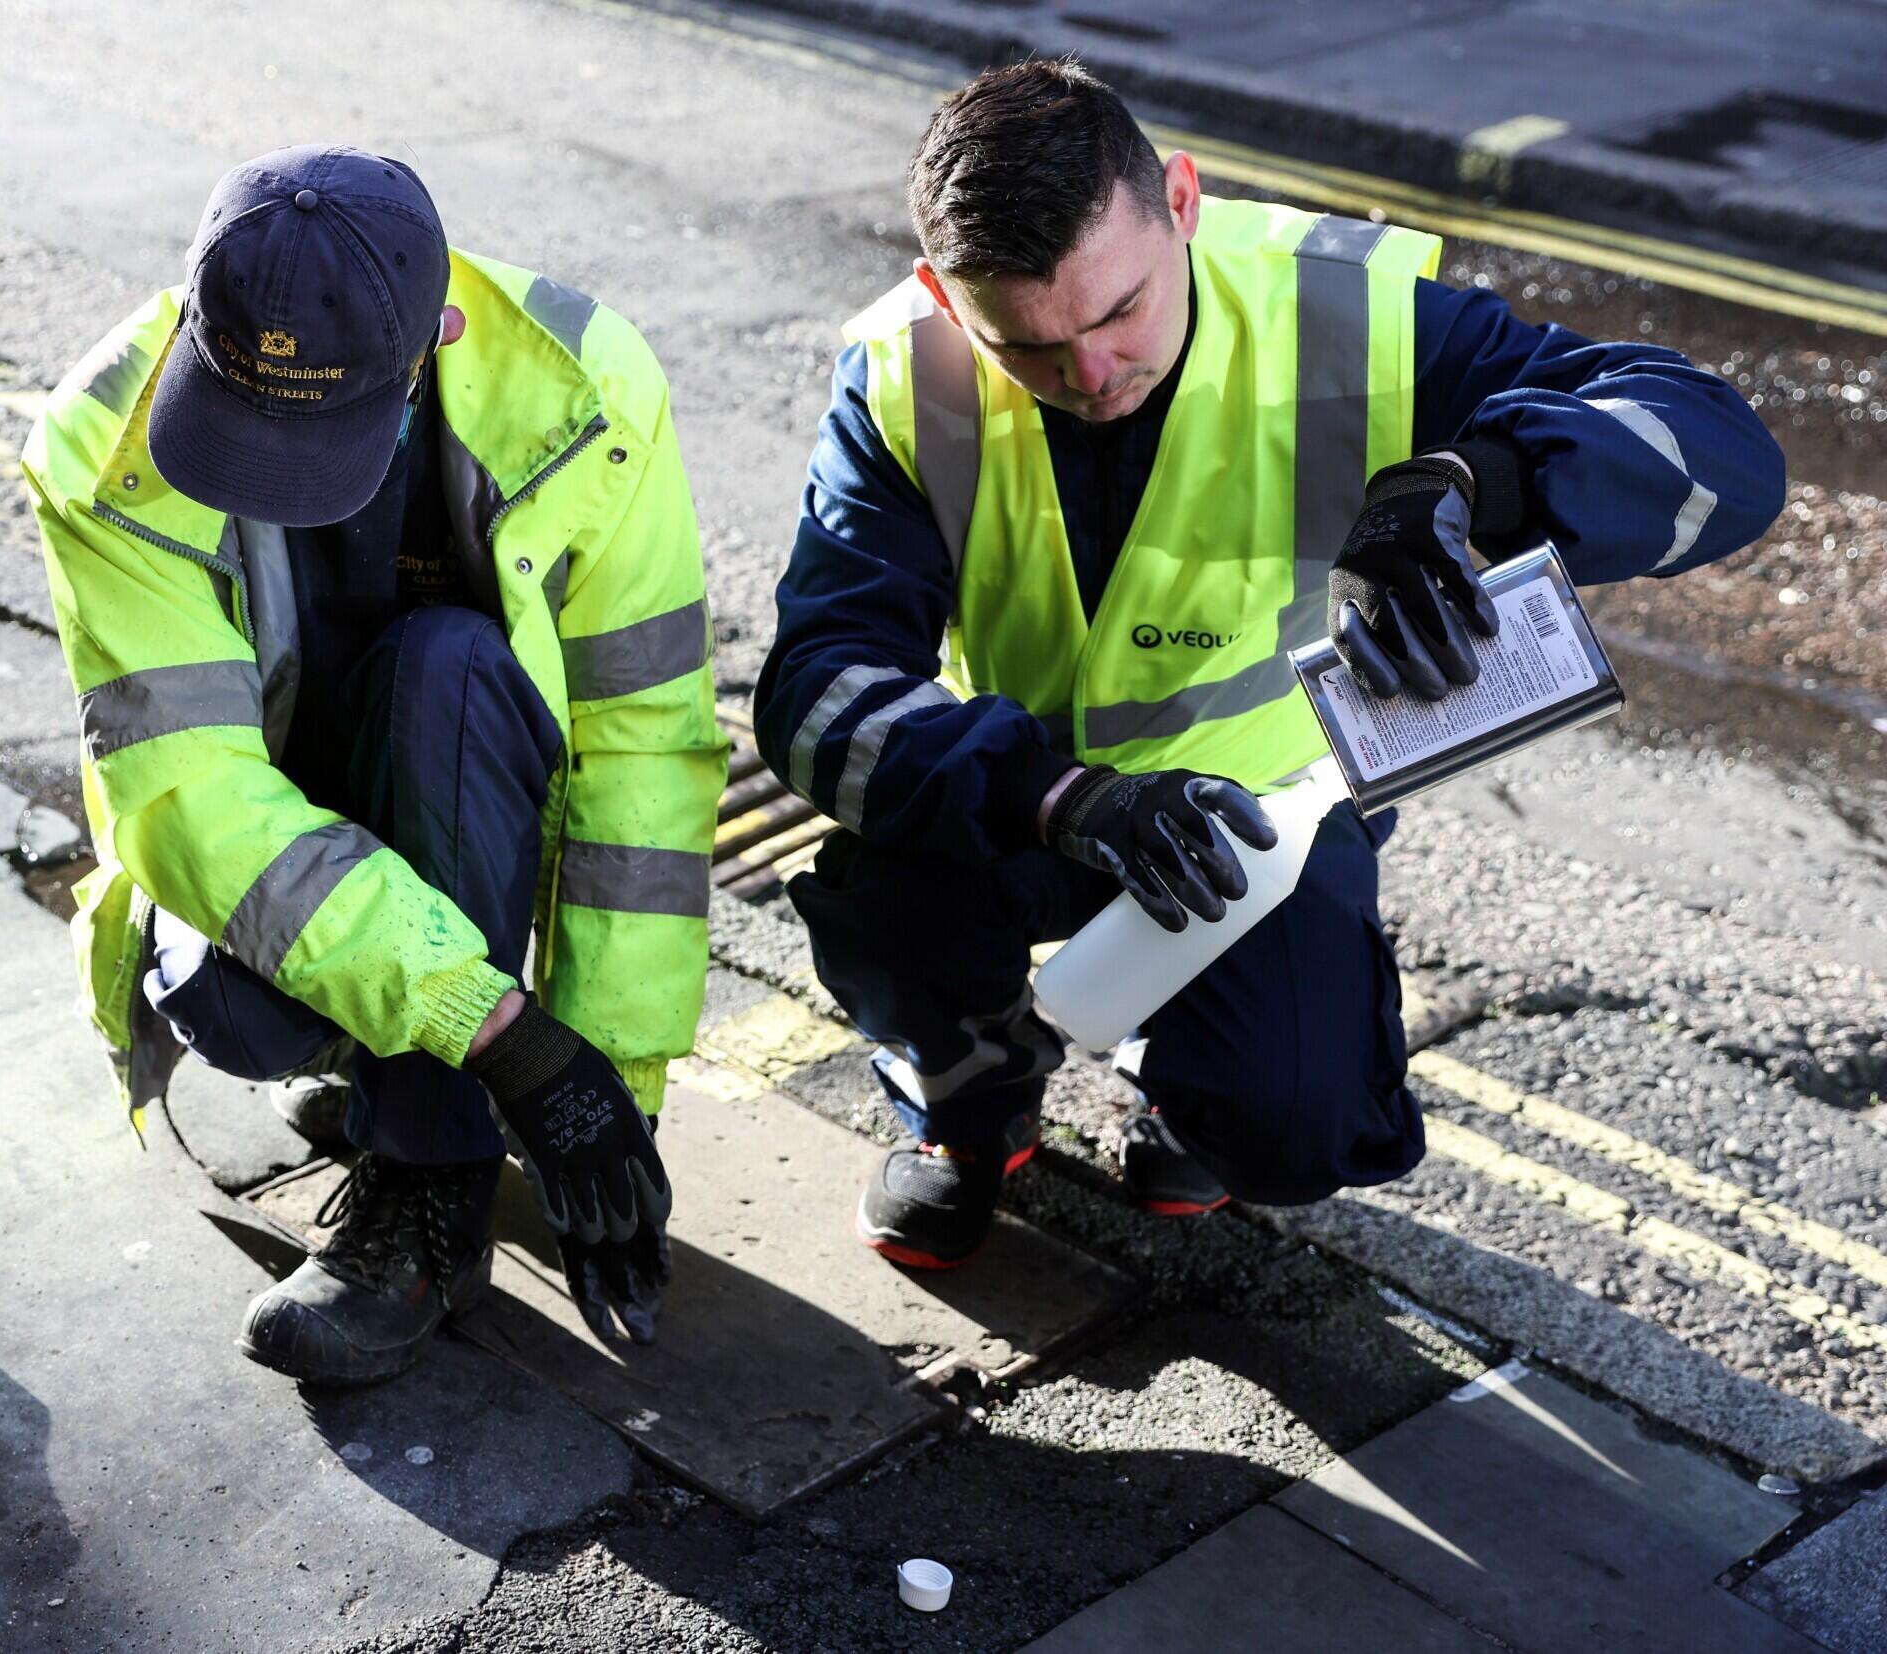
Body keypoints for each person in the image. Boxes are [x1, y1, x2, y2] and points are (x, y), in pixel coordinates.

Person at [754, 60, 1785, 1267]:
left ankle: (1179, 1084)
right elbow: (816, 690)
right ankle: (965, 1103)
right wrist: (1060, 796)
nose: (1091, 376)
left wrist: (1463, 479)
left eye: (1118, 311)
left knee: (1294, 1131)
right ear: (943, 292)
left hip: (1263, 821)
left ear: (1180, 201)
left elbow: (1718, 448)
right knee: (884, 889)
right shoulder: (901, 375)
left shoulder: (1347, 313)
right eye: (1026, 347)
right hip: (1028, 801)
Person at [24, 147, 725, 1381]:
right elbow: (196, 799)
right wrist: (497, 1033)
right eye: (243, 429)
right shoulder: (101, 446)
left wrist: (601, 1086)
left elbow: (643, 753)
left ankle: (420, 1153)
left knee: (441, 670)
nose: (277, 478)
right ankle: (420, 1135)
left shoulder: (587, 397)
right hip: (267, 841)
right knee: (234, 1006)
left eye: (316, 440)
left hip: (466, 778)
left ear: (437, 334)